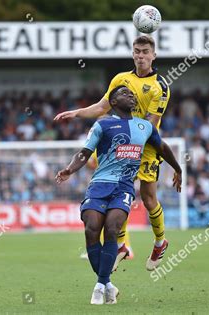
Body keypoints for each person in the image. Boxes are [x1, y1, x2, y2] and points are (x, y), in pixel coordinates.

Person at [55, 35, 172, 271]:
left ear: (154, 55)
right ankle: (121, 245)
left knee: (149, 199)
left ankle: (160, 242)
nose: (140, 55)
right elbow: (101, 107)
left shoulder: (161, 86)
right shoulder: (121, 79)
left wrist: (133, 140)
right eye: (137, 51)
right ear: (132, 53)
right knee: (120, 194)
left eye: (145, 52)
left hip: (146, 147)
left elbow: (150, 123)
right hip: (123, 147)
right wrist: (76, 113)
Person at [55, 86, 182, 305]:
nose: (130, 95)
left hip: (123, 188)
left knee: (112, 229)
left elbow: (162, 148)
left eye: (132, 94)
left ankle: (99, 286)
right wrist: (69, 169)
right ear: (112, 102)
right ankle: (107, 284)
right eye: (124, 94)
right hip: (99, 185)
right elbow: (85, 152)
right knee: (91, 229)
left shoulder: (145, 127)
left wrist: (178, 169)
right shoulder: (102, 124)